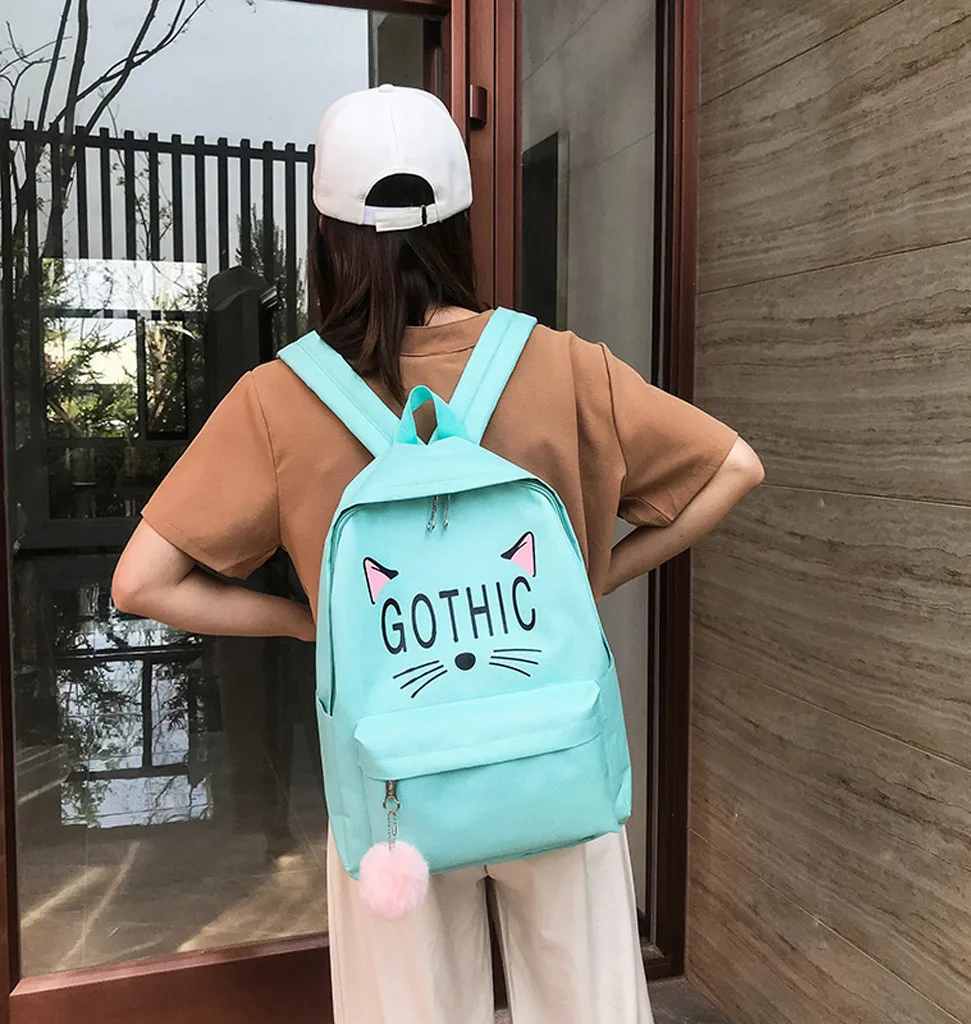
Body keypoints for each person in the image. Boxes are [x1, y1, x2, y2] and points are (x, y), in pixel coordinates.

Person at [112, 85, 763, 1024]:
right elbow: (735, 467)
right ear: (459, 222)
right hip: (553, 755)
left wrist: (309, 621)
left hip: (393, 787)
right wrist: (597, 574)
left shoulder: (278, 401)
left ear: (327, 234)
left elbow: (141, 581)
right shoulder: (561, 366)